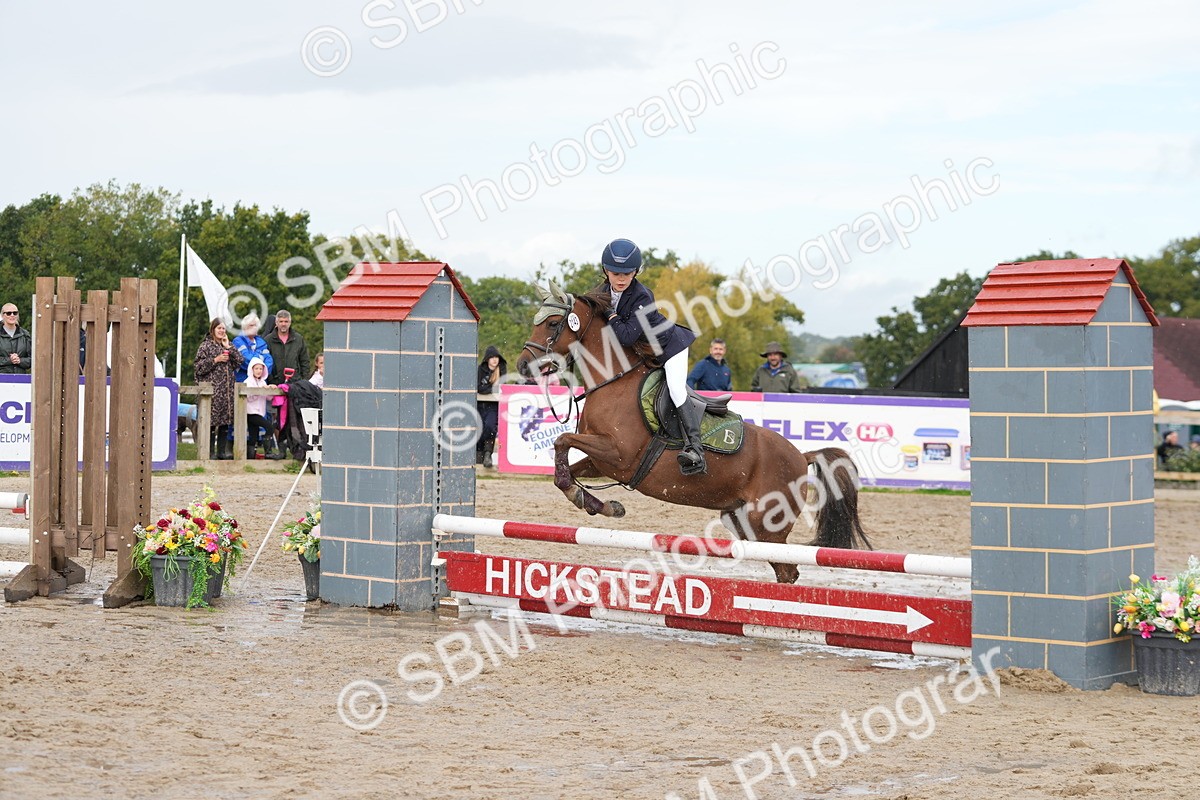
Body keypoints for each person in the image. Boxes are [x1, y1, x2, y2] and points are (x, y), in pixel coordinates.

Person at [598, 238, 704, 475]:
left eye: (628, 273)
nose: (622, 278)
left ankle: (695, 449)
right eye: (616, 273)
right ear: (605, 271)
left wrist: (610, 315)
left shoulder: (642, 296)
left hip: (670, 347)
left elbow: (625, 336)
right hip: (644, 351)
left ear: (636, 271)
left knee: (676, 390)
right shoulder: (602, 292)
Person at [193, 318, 244, 460]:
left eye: (223, 329)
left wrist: (229, 348)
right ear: (213, 329)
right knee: (210, 422)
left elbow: (240, 361)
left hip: (226, 392)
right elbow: (198, 368)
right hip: (212, 392)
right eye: (219, 328)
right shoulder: (205, 346)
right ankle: (209, 452)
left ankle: (221, 452)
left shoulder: (227, 345)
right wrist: (215, 360)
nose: (222, 331)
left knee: (225, 422)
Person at [243, 356, 285, 459]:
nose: (259, 371)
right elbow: (248, 398)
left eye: (261, 369)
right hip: (250, 412)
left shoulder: (263, 382)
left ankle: (250, 457)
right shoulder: (248, 381)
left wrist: (271, 389)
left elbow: (268, 398)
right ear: (252, 369)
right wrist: (260, 390)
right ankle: (268, 452)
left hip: (260, 412)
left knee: (254, 435)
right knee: (269, 427)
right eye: (256, 368)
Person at [476, 345, 506, 467]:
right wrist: (491, 389)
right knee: (478, 429)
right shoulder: (480, 370)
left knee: (490, 427)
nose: (495, 360)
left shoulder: (502, 370)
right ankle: (479, 455)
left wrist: (486, 389)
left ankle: (488, 454)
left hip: (493, 406)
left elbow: (501, 388)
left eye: (496, 357)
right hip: (479, 404)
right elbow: (478, 387)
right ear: (487, 359)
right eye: (492, 357)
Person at [265, 309, 310, 386]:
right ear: (276, 323)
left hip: (295, 384)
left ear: (290, 323)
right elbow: (265, 362)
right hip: (274, 384)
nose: (283, 324)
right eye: (281, 321)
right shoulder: (268, 340)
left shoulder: (298, 339)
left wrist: (304, 381)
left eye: (286, 321)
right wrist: (270, 379)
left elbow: (304, 361)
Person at [232, 313, 274, 383]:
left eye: (256, 325)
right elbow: (245, 360)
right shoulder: (238, 341)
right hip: (243, 382)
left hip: (260, 383)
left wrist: (260, 371)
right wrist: (260, 359)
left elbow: (269, 361)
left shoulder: (262, 342)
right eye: (251, 325)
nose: (254, 327)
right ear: (244, 327)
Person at [0, 302, 32, 375]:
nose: (12, 315)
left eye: (15, 313)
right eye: (8, 313)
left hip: (20, 380)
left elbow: (32, 359)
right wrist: (9, 360)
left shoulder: (25, 335)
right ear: (2, 316)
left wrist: (19, 360)